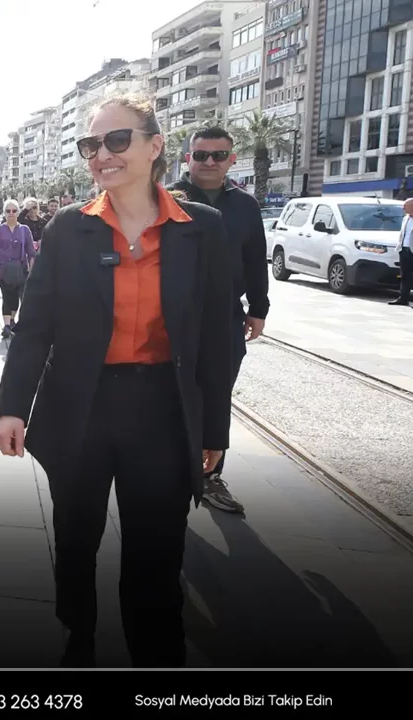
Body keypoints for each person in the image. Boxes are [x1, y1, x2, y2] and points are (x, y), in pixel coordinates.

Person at [0, 96, 232, 668]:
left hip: (162, 411)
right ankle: (78, 634)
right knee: (76, 540)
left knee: (157, 555)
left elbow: (217, 336)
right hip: (81, 408)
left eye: (117, 140)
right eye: (91, 145)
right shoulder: (68, 228)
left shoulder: (203, 229)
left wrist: (213, 429)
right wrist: (11, 407)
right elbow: (35, 326)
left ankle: (156, 653)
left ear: (155, 146)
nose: (102, 154)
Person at [169, 125, 271, 515]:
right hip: (173, 316)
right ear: (187, 158)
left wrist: (259, 308)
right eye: (200, 155)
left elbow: (255, 258)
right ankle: (168, 470)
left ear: (232, 159)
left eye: (218, 155)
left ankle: (211, 476)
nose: (209, 162)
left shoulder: (245, 205)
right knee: (171, 393)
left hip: (225, 315)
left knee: (217, 393)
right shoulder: (168, 199)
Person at [0, 198, 35, 338]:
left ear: (18, 213)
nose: (11, 213)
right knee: (7, 296)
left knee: (16, 298)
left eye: (14, 211)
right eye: (8, 211)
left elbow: (31, 252)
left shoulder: (24, 230)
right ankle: (7, 325)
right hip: (2, 270)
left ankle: (12, 320)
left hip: (20, 269)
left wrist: (31, 272)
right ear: (4, 213)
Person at [394, 198, 413, 307]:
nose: (403, 208)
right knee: (405, 276)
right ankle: (403, 299)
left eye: (405, 206)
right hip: (404, 250)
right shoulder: (406, 218)